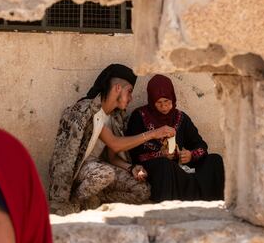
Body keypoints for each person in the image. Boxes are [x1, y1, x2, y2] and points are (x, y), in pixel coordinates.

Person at [48, 64, 175, 215]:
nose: (131, 98)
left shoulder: (114, 118)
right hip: (79, 171)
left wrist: (131, 168)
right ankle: (74, 203)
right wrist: (153, 133)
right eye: (129, 92)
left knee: (143, 190)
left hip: (101, 169)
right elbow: (115, 144)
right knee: (105, 173)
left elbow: (112, 157)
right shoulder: (86, 110)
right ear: (117, 89)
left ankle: (97, 198)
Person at [127, 74, 224, 202]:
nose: (164, 107)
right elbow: (133, 153)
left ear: (173, 98)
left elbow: (201, 146)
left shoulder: (180, 118)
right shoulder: (139, 117)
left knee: (215, 160)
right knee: (165, 165)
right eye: (159, 103)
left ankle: (214, 203)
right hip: (158, 170)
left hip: (179, 169)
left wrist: (190, 154)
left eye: (167, 101)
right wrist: (159, 154)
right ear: (151, 101)